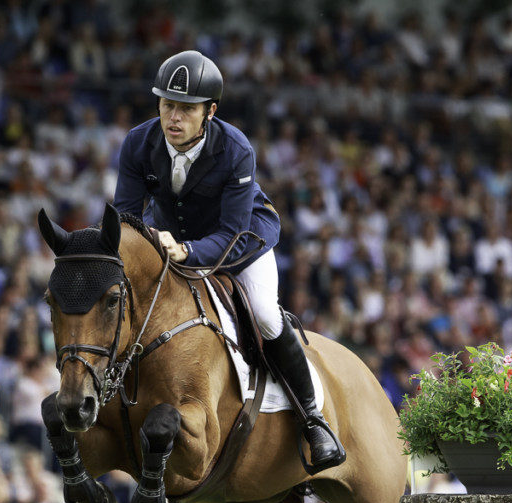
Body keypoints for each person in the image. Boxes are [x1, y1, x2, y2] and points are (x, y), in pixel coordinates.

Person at [114, 50, 344, 472]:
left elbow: (232, 232)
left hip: (240, 243)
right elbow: (126, 218)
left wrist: (186, 251)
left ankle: (313, 419)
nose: (174, 117)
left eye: (186, 109)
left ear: (210, 111)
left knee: (264, 314)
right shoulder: (137, 143)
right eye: (168, 105)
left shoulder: (235, 148)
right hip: (170, 240)